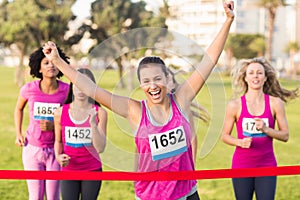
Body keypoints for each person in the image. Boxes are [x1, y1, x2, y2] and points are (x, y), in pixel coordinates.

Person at [42, 1, 234, 199]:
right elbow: (91, 87)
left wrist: (228, 21)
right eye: (146, 81)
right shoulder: (134, 110)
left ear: (168, 80)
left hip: (186, 192)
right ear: (140, 85)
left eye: (158, 79)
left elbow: (208, 60)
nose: (153, 85)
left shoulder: (182, 98)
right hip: (151, 194)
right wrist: (58, 62)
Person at [221, 57, 299, 200]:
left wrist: (266, 129)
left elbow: (285, 135)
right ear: (245, 78)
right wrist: (239, 142)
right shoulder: (235, 105)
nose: (255, 76)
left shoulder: (276, 103)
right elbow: (225, 135)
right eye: (251, 73)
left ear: (265, 78)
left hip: (267, 164)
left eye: (259, 73)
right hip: (242, 165)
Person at [14, 46, 70, 200]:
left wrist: (55, 126)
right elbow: (18, 109)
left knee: (53, 197)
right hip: (32, 149)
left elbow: (73, 119)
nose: (51, 65)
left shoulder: (67, 91)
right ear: (38, 67)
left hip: (56, 151)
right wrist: (18, 133)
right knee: (36, 197)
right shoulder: (29, 89)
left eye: (54, 62)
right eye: (46, 63)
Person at [54, 68, 107, 200]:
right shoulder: (60, 112)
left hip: (92, 170)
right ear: (72, 85)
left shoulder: (100, 113)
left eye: (85, 85)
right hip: (68, 171)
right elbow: (58, 141)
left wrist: (93, 124)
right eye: (78, 84)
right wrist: (58, 156)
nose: (81, 89)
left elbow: (100, 148)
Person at [167, 68, 210, 163]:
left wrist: (192, 165)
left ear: (173, 84)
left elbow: (192, 138)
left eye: (168, 81)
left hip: (181, 162)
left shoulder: (182, 107)